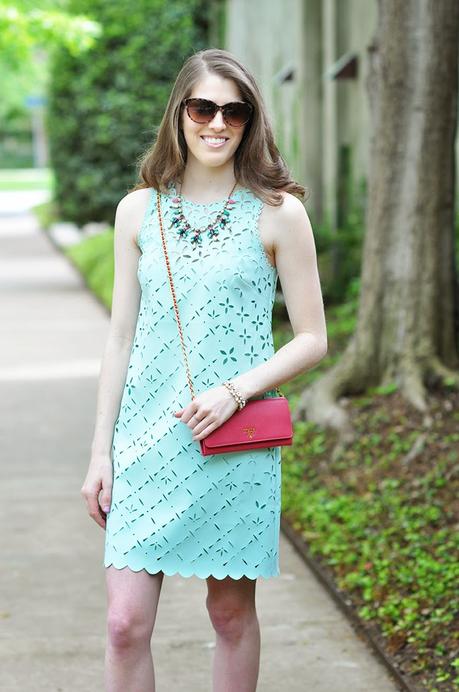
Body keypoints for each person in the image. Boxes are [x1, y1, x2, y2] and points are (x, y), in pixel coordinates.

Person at [81, 47, 327, 692]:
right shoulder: (138, 210)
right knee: (123, 625)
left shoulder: (279, 212)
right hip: (145, 439)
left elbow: (312, 339)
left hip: (233, 440)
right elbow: (120, 336)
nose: (217, 123)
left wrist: (236, 390)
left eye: (234, 111)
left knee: (228, 613)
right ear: (179, 114)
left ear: (250, 122)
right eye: (203, 107)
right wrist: (99, 452)